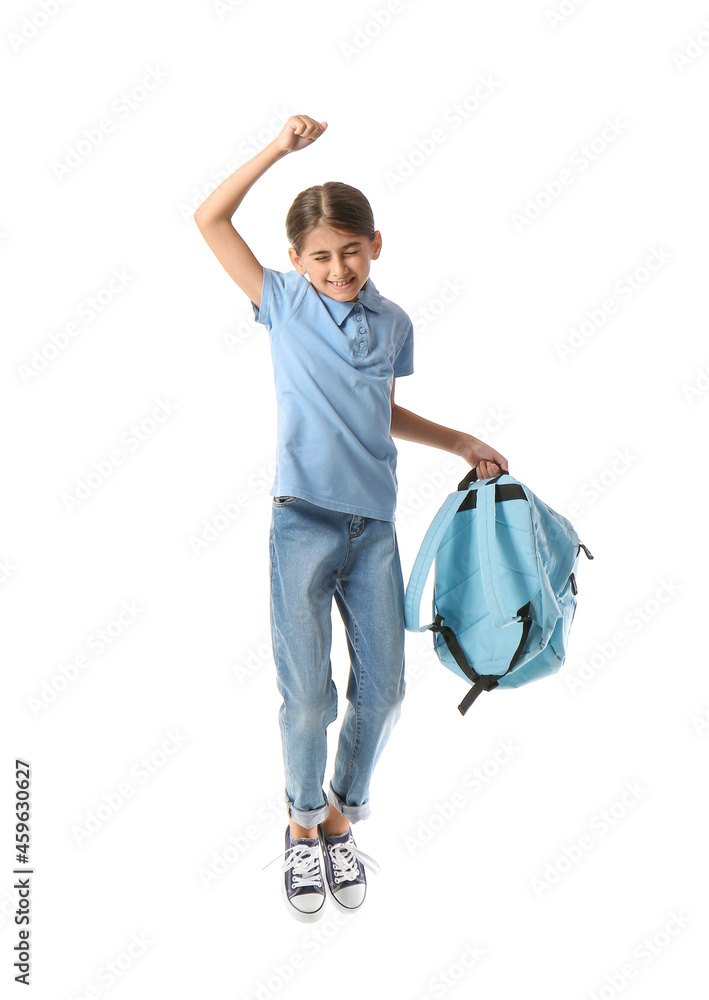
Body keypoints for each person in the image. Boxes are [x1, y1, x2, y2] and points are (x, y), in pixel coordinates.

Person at [194, 114, 509, 921]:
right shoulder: (286, 305)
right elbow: (208, 220)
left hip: (373, 527)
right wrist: (277, 149)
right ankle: (301, 828)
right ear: (297, 262)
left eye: (351, 250)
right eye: (321, 256)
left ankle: (340, 817)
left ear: (376, 244)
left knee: (385, 694)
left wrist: (457, 440)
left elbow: (381, 412)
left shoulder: (394, 321)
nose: (339, 268)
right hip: (302, 520)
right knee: (308, 699)